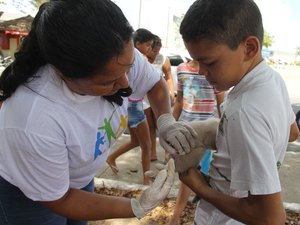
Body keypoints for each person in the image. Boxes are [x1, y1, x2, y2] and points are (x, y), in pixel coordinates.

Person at [0, 1, 197, 224]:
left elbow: (155, 84)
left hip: (78, 178)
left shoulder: (118, 57)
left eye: (129, 69)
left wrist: (166, 121)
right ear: (63, 72)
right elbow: (60, 199)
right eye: (109, 81)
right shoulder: (34, 118)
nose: (125, 84)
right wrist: (137, 206)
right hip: (28, 194)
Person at [177, 0, 300, 224]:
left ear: (249, 48)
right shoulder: (273, 80)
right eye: (197, 62)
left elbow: (271, 218)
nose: (202, 72)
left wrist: (199, 187)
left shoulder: (243, 111)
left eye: (210, 63)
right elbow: (291, 132)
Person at [168, 59, 224, 225]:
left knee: (192, 176)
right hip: (185, 131)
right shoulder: (181, 69)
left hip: (205, 136)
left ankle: (176, 218)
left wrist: (224, 133)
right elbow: (179, 101)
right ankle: (179, 217)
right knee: (186, 176)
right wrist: (170, 130)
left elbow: (222, 103)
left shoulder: (211, 70)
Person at [106, 28, 156, 184]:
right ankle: (146, 182)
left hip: (132, 104)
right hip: (134, 105)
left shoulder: (134, 57)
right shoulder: (136, 57)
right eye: (148, 45)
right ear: (138, 43)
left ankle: (112, 157)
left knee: (136, 141)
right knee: (146, 145)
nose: (149, 49)